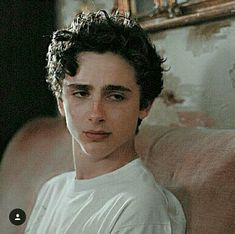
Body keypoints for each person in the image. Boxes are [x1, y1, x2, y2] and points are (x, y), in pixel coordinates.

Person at [25, 10, 186, 233]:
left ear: (145, 105)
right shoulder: (52, 190)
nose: (96, 114)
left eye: (115, 96)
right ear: (61, 102)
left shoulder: (139, 205)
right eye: (81, 93)